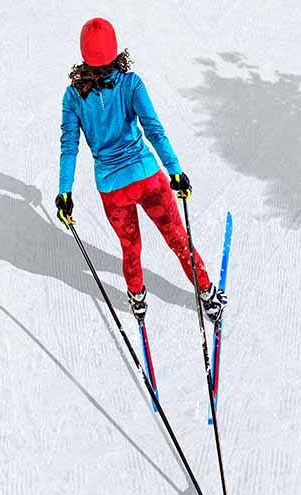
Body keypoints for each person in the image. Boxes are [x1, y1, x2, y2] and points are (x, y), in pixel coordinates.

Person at [55, 17, 226, 323]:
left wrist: (65, 193)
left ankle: (137, 300)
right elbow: (153, 130)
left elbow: (69, 147)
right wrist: (174, 171)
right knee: (176, 237)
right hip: (148, 178)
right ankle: (208, 296)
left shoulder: (73, 96)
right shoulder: (131, 83)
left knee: (130, 247)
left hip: (112, 189)